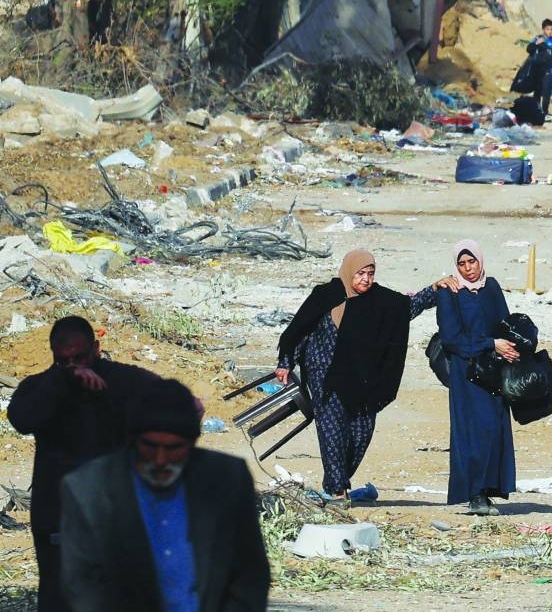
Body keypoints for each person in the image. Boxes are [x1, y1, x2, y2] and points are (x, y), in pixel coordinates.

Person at [59, 379, 270, 611]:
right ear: (133, 441)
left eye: (173, 448)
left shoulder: (227, 478)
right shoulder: (88, 489)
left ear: (192, 443)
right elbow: (83, 584)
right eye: (150, 446)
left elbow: (249, 573)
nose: (160, 460)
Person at [275, 250, 456, 505]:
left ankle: (335, 481)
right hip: (324, 376)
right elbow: (300, 330)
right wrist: (285, 363)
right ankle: (337, 489)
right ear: (349, 271)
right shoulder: (325, 296)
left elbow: (406, 307)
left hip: (360, 380)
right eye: (360, 274)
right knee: (332, 431)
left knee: (361, 433)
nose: (365, 280)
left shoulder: (379, 300)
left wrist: (434, 290)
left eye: (370, 274)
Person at [7, 316, 161, 612]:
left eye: (80, 357)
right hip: (58, 515)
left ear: (96, 349)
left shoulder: (123, 380)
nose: (74, 365)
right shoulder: (42, 386)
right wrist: (62, 380)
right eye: (64, 360)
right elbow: (21, 418)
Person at [436, 240, 517, 516]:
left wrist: (513, 345)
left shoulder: (491, 287)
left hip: (494, 372)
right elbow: (451, 338)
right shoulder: (450, 293)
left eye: (472, 262)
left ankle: (488, 491)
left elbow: (505, 323)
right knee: (474, 431)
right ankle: (474, 494)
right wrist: (490, 344)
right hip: (467, 373)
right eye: (461, 264)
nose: (468, 269)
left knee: (494, 428)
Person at [526, 18, 552, 115]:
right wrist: (536, 44)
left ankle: (545, 112)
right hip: (537, 70)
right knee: (537, 92)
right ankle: (536, 111)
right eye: (547, 29)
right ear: (543, 29)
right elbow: (529, 49)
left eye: (551, 29)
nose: (549, 31)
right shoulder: (538, 38)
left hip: (549, 71)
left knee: (547, 92)